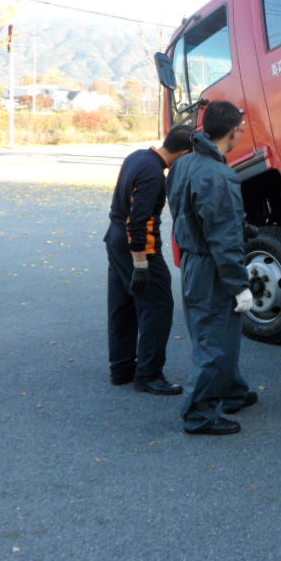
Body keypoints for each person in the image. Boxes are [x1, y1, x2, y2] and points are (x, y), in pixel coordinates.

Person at [167, 101, 256, 436]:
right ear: (233, 131)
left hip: (195, 259)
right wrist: (239, 285)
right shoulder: (219, 175)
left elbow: (185, 208)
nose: (243, 132)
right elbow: (224, 239)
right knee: (214, 340)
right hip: (213, 267)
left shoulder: (185, 163)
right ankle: (199, 414)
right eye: (242, 127)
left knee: (218, 334)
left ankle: (231, 391)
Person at [104, 124, 194, 394]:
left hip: (115, 240)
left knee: (122, 305)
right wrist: (141, 265)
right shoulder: (154, 174)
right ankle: (149, 375)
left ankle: (121, 369)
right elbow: (137, 221)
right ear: (184, 153)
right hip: (137, 248)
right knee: (158, 307)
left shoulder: (137, 156)